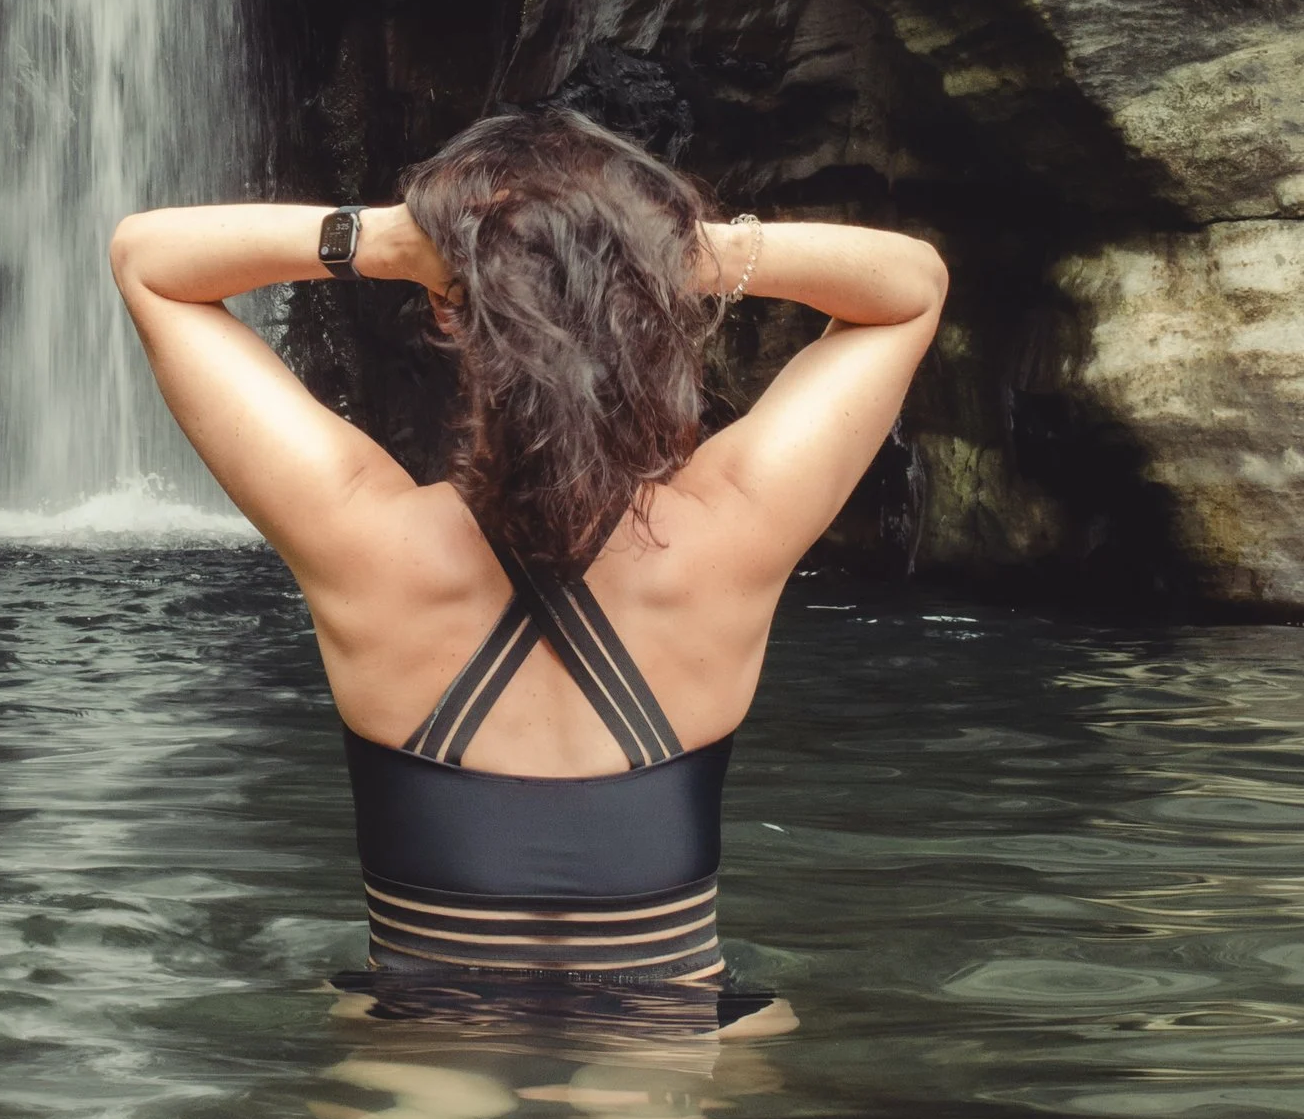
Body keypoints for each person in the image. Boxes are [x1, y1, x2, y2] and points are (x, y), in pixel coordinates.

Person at [109, 105, 948, 1018]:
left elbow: (149, 261)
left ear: (445, 299)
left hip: (423, 1035)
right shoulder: (731, 530)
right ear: (647, 298)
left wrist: (396, 240)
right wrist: (649, 250)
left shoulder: (362, 539)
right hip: (672, 1043)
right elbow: (911, 284)